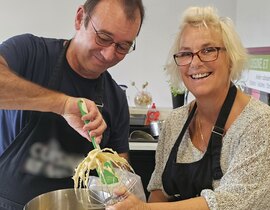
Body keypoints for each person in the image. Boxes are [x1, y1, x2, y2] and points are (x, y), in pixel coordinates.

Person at [107, 6, 270, 210]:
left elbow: (233, 202)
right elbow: (158, 192)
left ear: (231, 58)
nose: (195, 62)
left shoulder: (259, 123)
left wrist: (144, 209)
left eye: (208, 50)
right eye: (185, 53)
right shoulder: (175, 122)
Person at [0, 0, 145, 209]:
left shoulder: (116, 98)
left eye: (123, 46)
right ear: (80, 18)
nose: (109, 55)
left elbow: (119, 170)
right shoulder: (29, 53)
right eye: (103, 37)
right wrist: (63, 105)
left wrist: (122, 190)